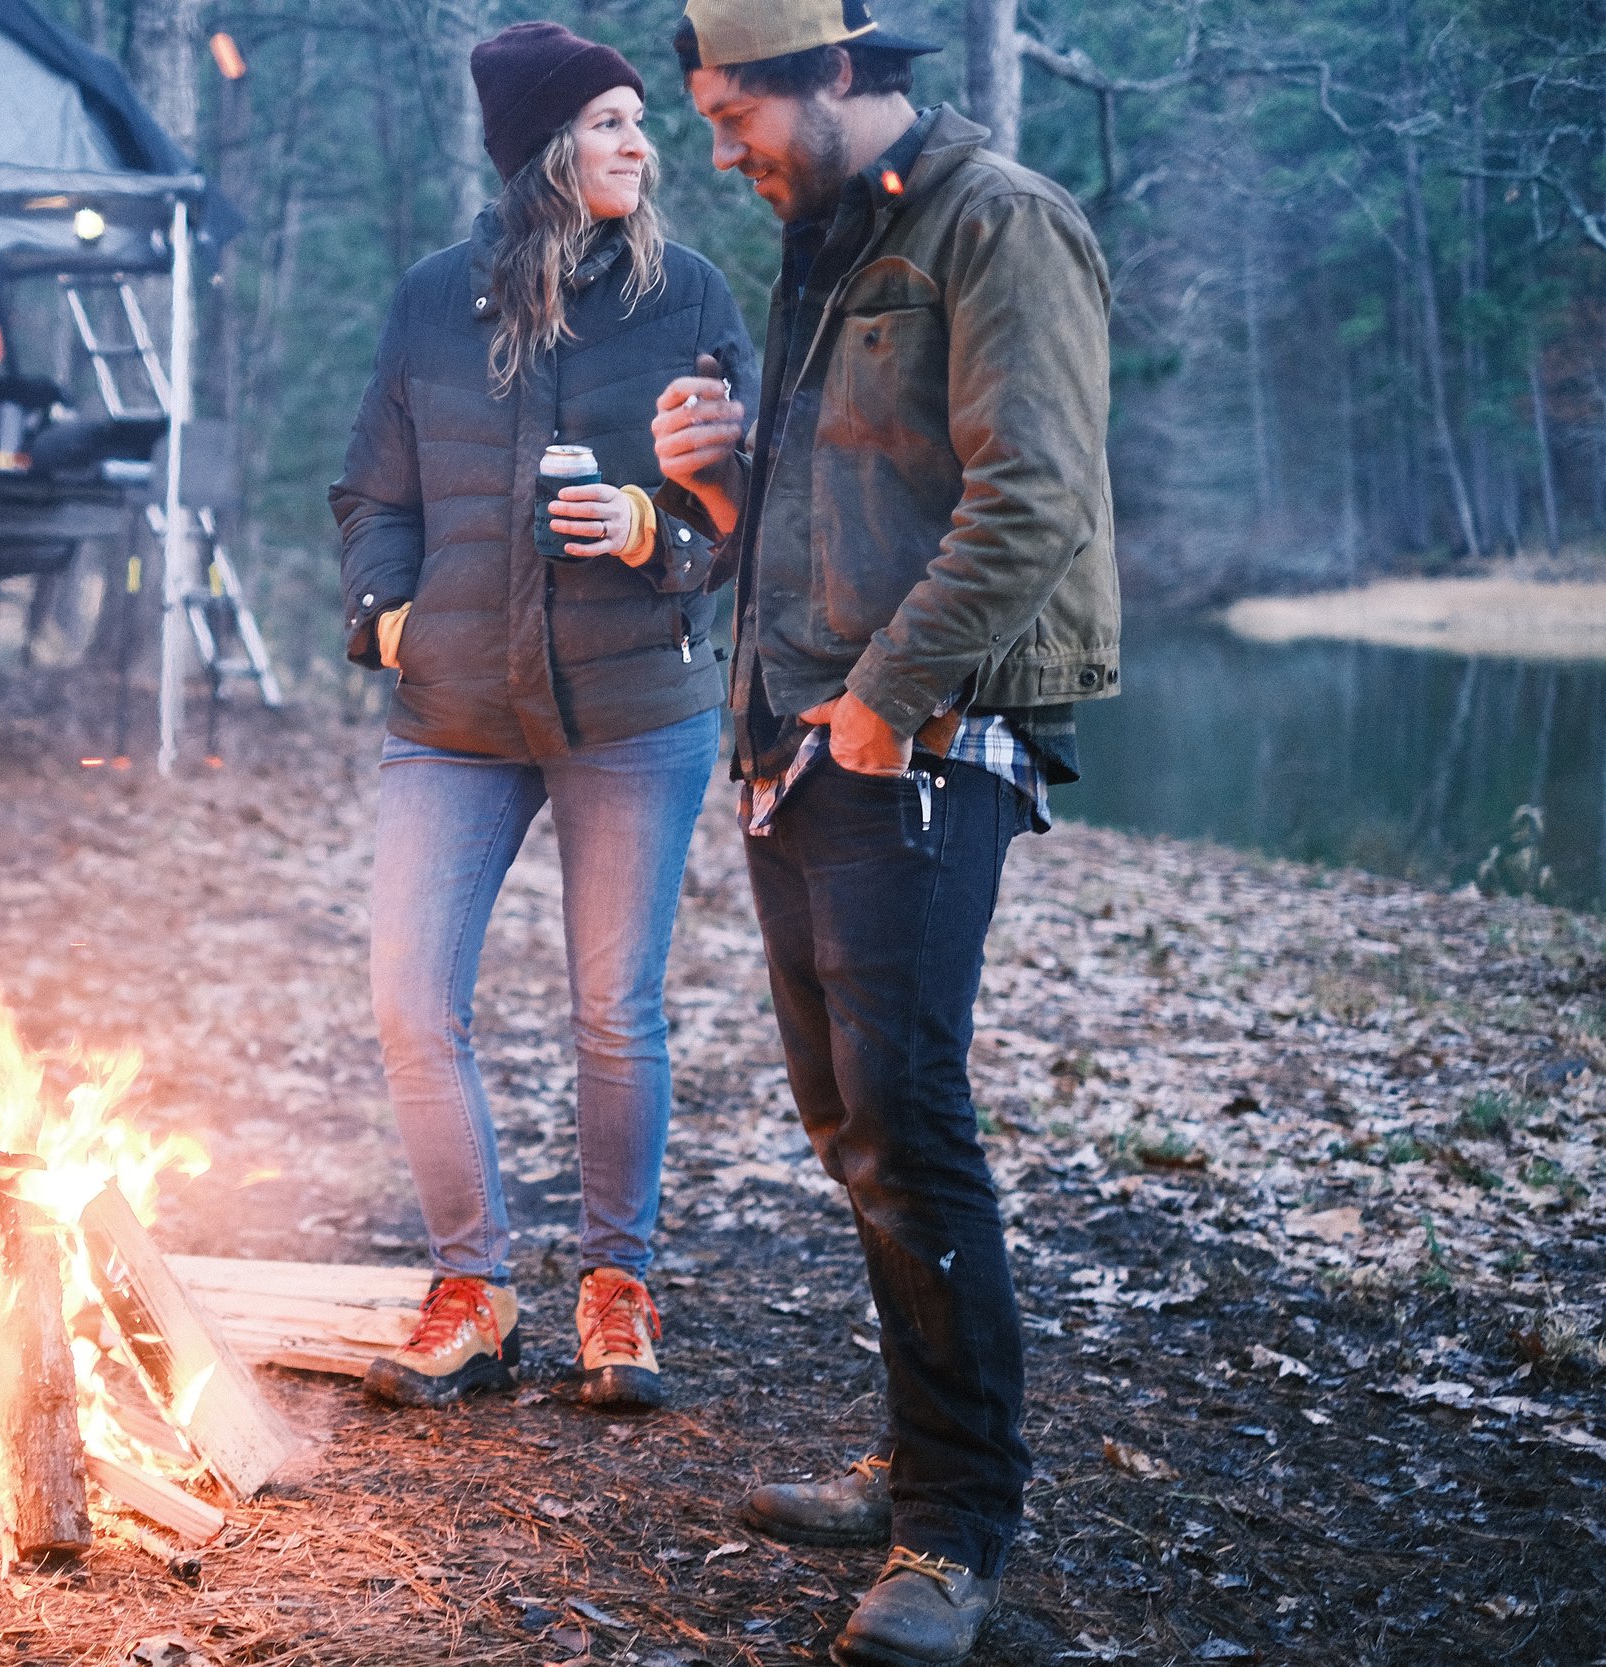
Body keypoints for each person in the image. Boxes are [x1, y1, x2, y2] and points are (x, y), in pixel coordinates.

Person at [648, 1, 1120, 1661]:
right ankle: (919, 1464)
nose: (720, 154)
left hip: (917, 741)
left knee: (907, 1125)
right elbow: (844, 507)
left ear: (837, 73)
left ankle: (957, 1531)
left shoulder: (999, 224)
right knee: (852, 1123)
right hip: (802, 741)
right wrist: (723, 484)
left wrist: (881, 695)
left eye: (734, 116)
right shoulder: (834, 235)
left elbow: (1033, 493)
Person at [332, 21, 756, 1413]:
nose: (644, 144)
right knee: (410, 999)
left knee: (612, 1012)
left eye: (642, 120)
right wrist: (390, 620)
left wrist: (650, 531)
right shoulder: (431, 300)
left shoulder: (688, 297)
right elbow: (372, 495)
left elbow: (746, 514)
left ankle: (616, 1287)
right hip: (453, 706)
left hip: (634, 704)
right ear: (540, 151)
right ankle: (475, 1290)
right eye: (610, 121)